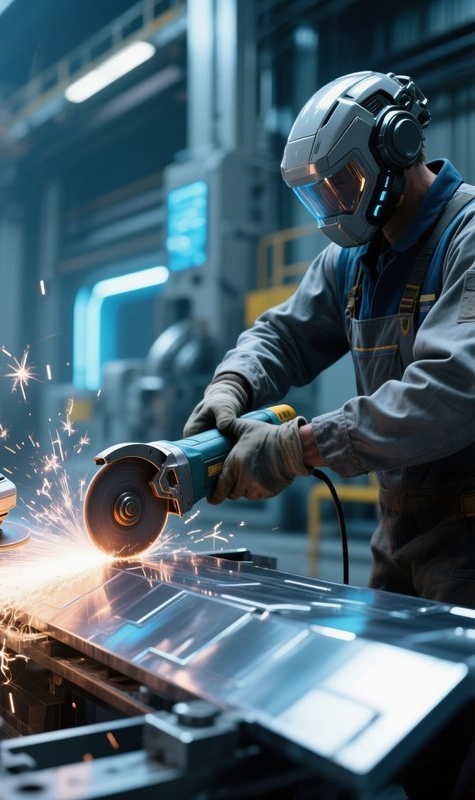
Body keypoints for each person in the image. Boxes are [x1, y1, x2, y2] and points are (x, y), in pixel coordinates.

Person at [184, 71, 474, 799]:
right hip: (400, 538)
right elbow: (283, 333)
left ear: (398, 143)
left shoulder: (465, 239)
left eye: (343, 184)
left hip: (474, 545)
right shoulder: (355, 259)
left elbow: (448, 391)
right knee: (414, 751)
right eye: (320, 195)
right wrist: (233, 385)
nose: (335, 208)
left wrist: (302, 447)